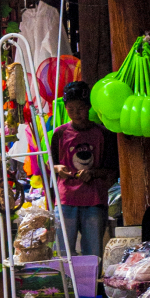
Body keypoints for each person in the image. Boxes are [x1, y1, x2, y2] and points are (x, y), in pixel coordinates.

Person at [50, 81, 111, 262]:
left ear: (89, 107)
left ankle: (90, 289)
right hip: (66, 199)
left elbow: (111, 169)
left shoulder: (102, 133)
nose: (76, 113)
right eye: (71, 109)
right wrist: (57, 168)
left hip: (94, 200)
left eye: (81, 108)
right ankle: (68, 289)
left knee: (93, 254)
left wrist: (93, 173)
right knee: (63, 253)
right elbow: (51, 164)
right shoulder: (59, 134)